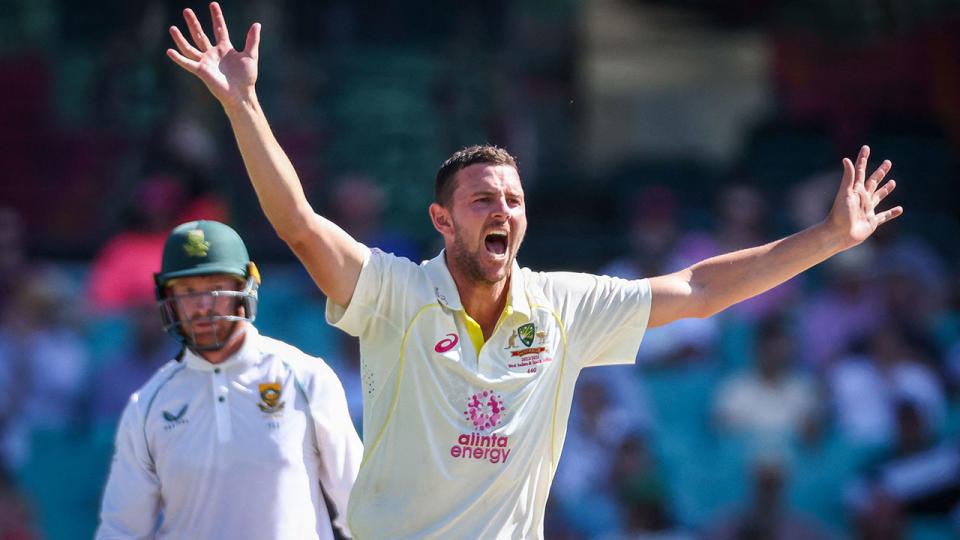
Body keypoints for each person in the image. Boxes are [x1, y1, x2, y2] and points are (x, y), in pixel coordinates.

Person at [165, 4, 903, 537]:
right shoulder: (394, 293)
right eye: (483, 198)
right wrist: (243, 106)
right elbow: (296, 223)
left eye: (514, 200)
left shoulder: (563, 307)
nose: (504, 210)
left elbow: (704, 289)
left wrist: (831, 238)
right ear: (442, 220)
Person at [95, 220, 362, 540]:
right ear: (168, 300)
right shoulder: (149, 405)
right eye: (188, 291)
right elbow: (122, 530)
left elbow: (360, 508)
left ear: (243, 289)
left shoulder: (306, 378)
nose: (203, 306)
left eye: (215, 288)